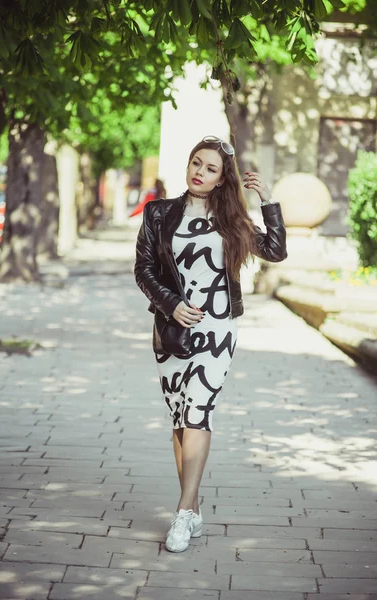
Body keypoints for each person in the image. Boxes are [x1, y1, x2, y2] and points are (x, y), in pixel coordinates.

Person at [134, 135, 287, 553]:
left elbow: (275, 250)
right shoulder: (159, 213)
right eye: (195, 163)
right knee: (180, 420)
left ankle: (183, 514)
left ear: (222, 179)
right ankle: (194, 505)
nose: (199, 172)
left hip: (217, 331)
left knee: (198, 412)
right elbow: (144, 270)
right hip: (170, 331)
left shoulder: (231, 220)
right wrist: (171, 305)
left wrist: (267, 201)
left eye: (210, 168)